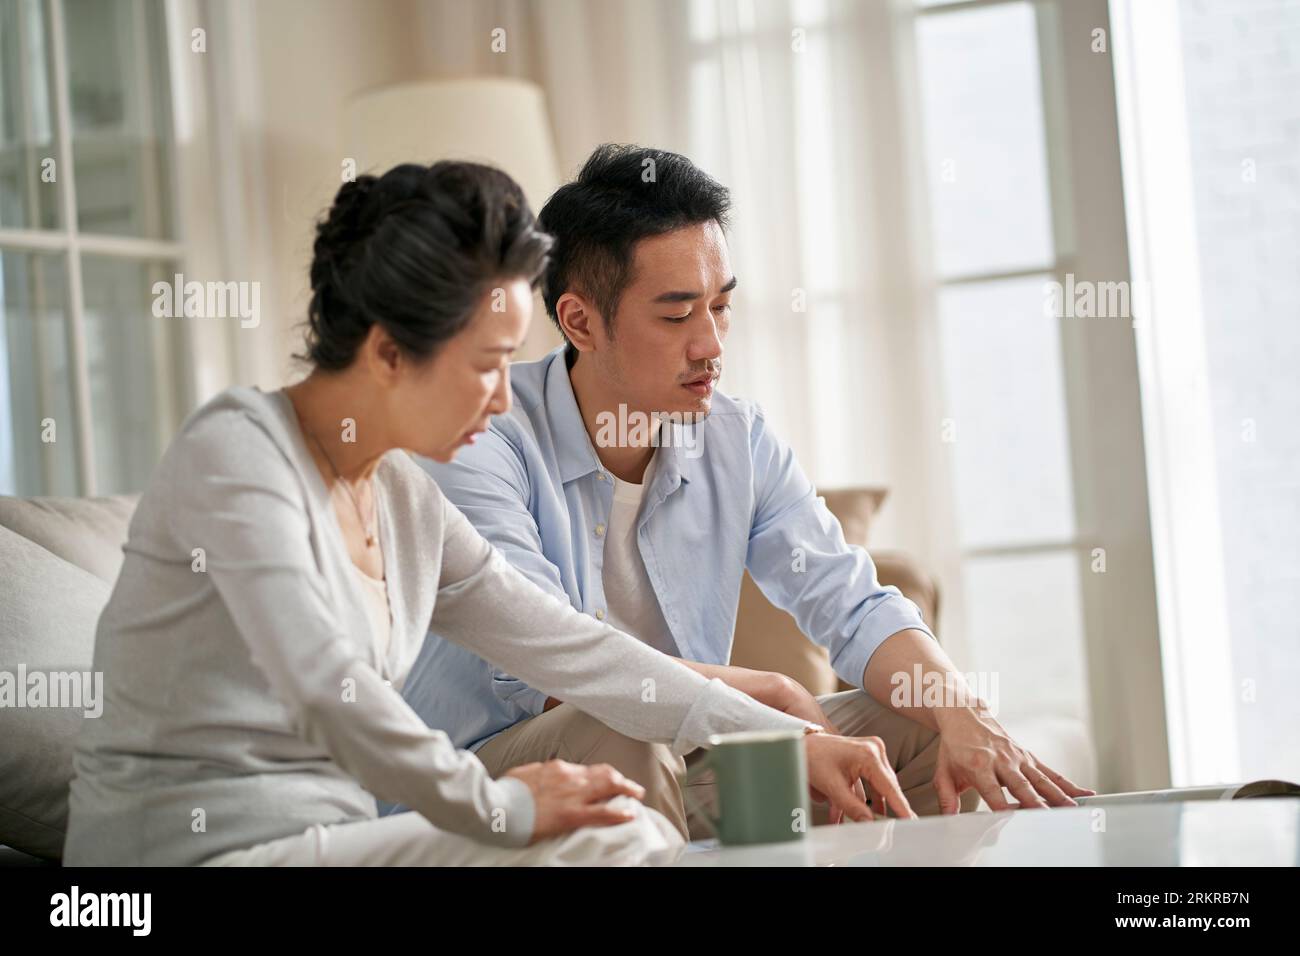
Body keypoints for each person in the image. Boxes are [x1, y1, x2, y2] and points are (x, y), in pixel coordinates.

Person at [62, 160, 912, 867]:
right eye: (487, 364)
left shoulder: (403, 499)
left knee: (616, 825)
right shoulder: (237, 453)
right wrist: (498, 803)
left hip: (341, 840)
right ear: (390, 351)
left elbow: (580, 652)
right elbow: (332, 688)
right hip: (191, 856)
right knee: (602, 838)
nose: (507, 396)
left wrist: (777, 735)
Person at [398, 145, 1095, 840]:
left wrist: (964, 713)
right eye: (676, 316)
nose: (710, 345)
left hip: (689, 750)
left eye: (721, 307)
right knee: (615, 727)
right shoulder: (481, 432)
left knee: (918, 728)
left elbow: (852, 602)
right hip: (487, 784)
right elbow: (556, 663)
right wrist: (774, 698)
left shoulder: (736, 438)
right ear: (580, 321)